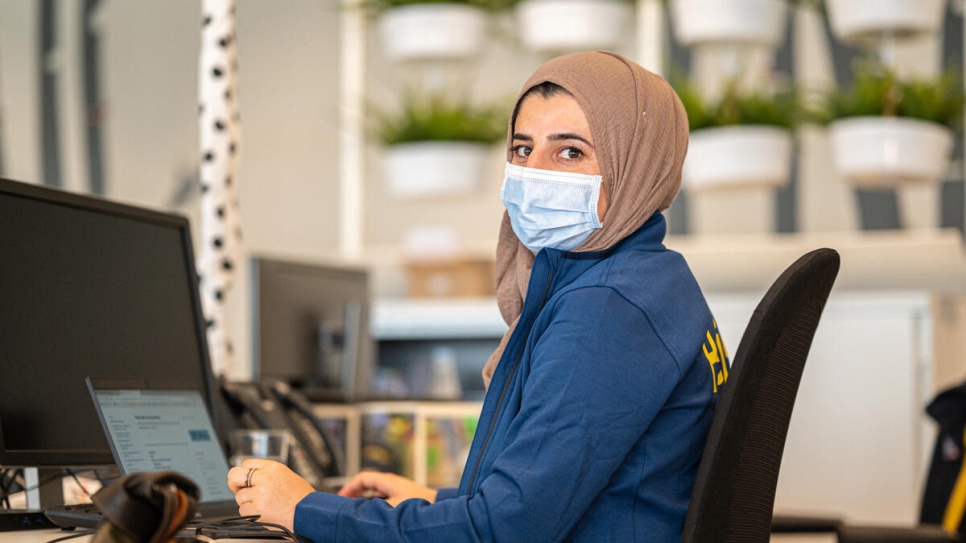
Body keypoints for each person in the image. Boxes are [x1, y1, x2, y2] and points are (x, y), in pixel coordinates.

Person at [228, 50, 730, 542]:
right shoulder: (654, 279)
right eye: (522, 149)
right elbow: (563, 497)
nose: (535, 172)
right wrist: (436, 499)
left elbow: (504, 531)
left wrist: (305, 509)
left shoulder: (606, 309)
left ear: (637, 165)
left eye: (570, 151)